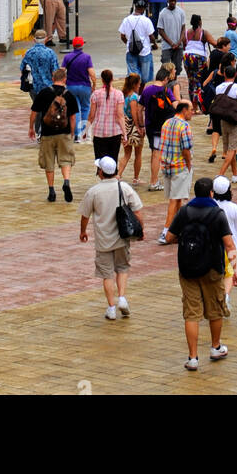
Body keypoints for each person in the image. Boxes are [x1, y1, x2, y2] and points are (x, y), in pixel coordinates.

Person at [165, 176, 236, 370]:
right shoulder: (217, 214)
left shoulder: (184, 211)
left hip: (187, 268)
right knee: (215, 310)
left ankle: (193, 358)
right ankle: (215, 347)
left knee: (191, 313)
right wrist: (235, 268)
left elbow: (170, 236)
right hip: (213, 268)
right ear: (211, 193)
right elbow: (229, 244)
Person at [79, 156, 144, 321]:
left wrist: (83, 231)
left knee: (106, 273)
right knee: (122, 267)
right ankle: (122, 297)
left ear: (100, 172)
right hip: (122, 237)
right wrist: (141, 229)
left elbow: (85, 215)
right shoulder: (124, 187)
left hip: (103, 240)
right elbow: (137, 211)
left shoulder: (93, 191)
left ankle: (111, 308)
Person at [29, 67, 78, 202]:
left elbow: (34, 112)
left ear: (52, 79)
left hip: (47, 133)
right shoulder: (69, 95)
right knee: (66, 159)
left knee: (48, 162)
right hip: (64, 133)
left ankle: (51, 191)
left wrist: (31, 128)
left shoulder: (44, 93)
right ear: (65, 79)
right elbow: (73, 118)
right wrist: (72, 132)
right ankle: (66, 181)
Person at [159, 100, 194, 243]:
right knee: (175, 199)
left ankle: (178, 228)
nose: (192, 112)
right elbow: (186, 149)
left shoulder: (166, 123)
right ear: (184, 110)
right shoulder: (184, 126)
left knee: (177, 198)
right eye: (191, 109)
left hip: (166, 165)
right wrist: (189, 164)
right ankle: (166, 230)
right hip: (180, 166)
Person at [213, 176, 237, 309]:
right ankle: (226, 296)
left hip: (214, 246)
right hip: (234, 245)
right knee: (232, 273)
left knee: (219, 273)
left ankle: (219, 297)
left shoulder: (212, 205)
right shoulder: (234, 207)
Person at [142, 64, 179, 190]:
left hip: (150, 126)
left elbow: (139, 108)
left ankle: (155, 179)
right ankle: (154, 181)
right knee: (157, 154)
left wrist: (139, 124)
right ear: (165, 79)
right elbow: (175, 106)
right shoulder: (166, 90)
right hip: (162, 127)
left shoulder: (146, 90)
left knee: (154, 152)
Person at [213, 63, 237, 184]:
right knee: (233, 149)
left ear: (224, 74)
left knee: (229, 148)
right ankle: (220, 174)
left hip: (224, 119)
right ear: (235, 74)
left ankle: (235, 174)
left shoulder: (218, 88)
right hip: (236, 119)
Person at [89, 68, 126, 166]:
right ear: (112, 79)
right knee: (113, 162)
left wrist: (86, 130)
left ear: (102, 80)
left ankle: (102, 179)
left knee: (100, 162)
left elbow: (91, 115)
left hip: (99, 132)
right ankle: (113, 179)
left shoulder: (96, 94)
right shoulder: (119, 94)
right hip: (114, 132)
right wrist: (124, 133)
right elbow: (120, 116)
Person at [64, 36, 96, 140]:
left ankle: (76, 134)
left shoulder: (67, 57)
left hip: (71, 86)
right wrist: (94, 84)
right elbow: (91, 73)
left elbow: (61, 71)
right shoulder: (87, 57)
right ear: (82, 45)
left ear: (73, 45)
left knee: (75, 109)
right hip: (85, 86)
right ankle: (84, 133)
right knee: (86, 108)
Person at [184, 14, 216, 110]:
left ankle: (193, 107)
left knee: (191, 81)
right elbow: (214, 43)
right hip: (199, 57)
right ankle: (199, 106)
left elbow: (184, 43)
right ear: (200, 22)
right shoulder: (203, 32)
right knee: (198, 81)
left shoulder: (186, 32)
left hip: (187, 56)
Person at [119, 1, 155, 85]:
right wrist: (154, 44)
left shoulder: (126, 20)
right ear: (143, 9)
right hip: (145, 51)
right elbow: (151, 37)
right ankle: (142, 93)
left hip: (131, 51)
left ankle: (134, 93)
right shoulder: (146, 20)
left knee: (133, 76)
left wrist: (129, 44)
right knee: (146, 77)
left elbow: (122, 36)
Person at [118, 73, 145, 183]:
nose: (139, 86)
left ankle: (118, 174)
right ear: (134, 84)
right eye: (138, 84)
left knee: (127, 154)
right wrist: (139, 127)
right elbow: (134, 114)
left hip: (124, 126)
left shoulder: (124, 94)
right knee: (138, 154)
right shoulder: (133, 97)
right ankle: (136, 178)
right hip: (132, 127)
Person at [159, 0, 186, 75]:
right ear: (168, 1)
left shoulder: (181, 12)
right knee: (166, 67)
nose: (173, 2)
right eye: (171, 1)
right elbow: (160, 30)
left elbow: (183, 28)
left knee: (177, 68)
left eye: (174, 1)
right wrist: (171, 43)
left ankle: (174, 84)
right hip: (167, 46)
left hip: (178, 46)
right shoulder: (163, 13)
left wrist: (179, 42)